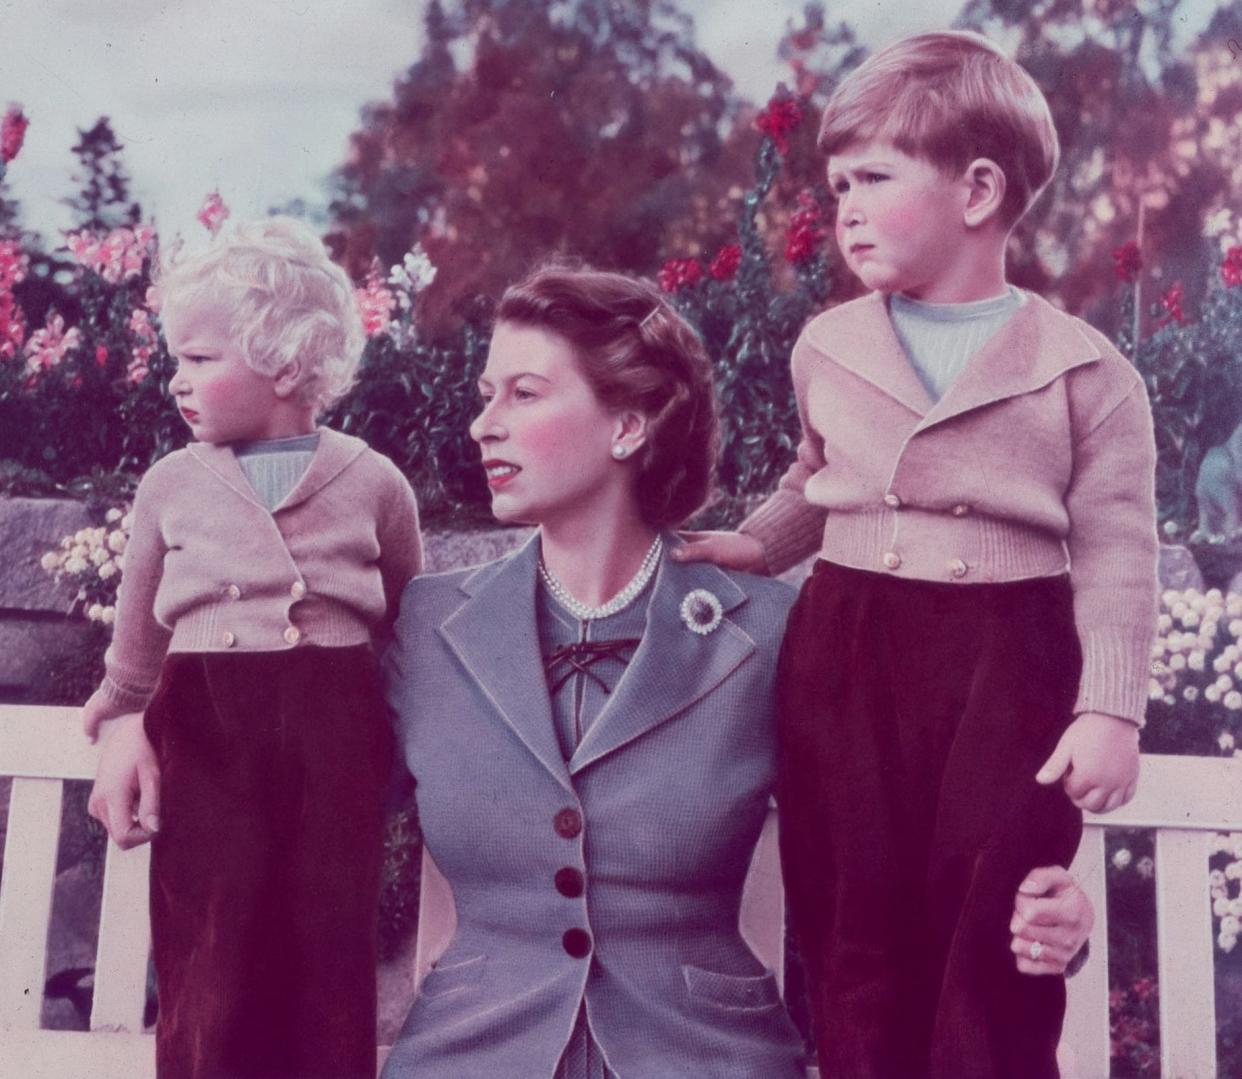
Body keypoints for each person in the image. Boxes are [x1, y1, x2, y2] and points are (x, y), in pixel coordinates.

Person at [381, 264, 1096, 1078]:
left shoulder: (766, 632)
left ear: (629, 425)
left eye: (525, 393)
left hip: (704, 1055)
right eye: (486, 393)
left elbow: (906, 856)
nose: (484, 425)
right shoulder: (429, 627)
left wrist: (1050, 922)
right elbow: (313, 844)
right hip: (470, 1056)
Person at [673, 30, 1158, 1078]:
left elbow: (1119, 544)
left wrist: (1111, 709)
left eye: (874, 177)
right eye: (837, 180)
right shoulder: (829, 347)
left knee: (996, 923)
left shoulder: (1086, 370)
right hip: (849, 650)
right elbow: (816, 475)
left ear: (977, 189)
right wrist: (757, 544)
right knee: (853, 918)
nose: (843, 204)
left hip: (1011, 662)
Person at [83, 217, 423, 1079]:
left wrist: (414, 734)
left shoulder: (376, 482)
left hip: (336, 735)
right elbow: (138, 635)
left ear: (282, 360)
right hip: (207, 733)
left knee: (326, 937)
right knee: (212, 938)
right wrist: (121, 714)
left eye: (199, 359)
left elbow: (409, 626)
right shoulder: (170, 485)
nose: (176, 381)